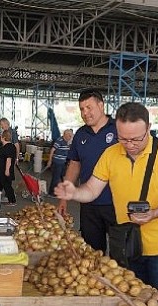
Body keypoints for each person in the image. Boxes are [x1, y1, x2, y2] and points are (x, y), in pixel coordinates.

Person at [55, 102, 158, 295]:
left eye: (136, 139)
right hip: (128, 245)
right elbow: (92, 190)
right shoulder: (111, 154)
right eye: (123, 139)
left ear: (148, 128)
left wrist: (154, 213)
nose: (130, 145)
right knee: (130, 304)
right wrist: (74, 193)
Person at [58, 89, 117, 253]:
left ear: (101, 105)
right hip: (89, 206)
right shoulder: (80, 134)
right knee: (91, 253)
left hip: (117, 204)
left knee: (122, 255)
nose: (85, 113)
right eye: (82, 109)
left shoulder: (119, 130)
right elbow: (74, 165)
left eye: (89, 107)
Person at [0, 129, 17, 206]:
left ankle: (12, 201)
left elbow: (8, 160)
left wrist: (7, 170)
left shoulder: (9, 147)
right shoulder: (5, 146)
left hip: (3, 171)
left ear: (3, 137)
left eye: (1, 136)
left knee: (7, 186)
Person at [47, 129, 73, 197]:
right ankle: (51, 193)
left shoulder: (67, 142)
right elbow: (52, 150)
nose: (70, 137)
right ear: (65, 135)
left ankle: (63, 190)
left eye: (71, 136)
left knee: (63, 176)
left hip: (63, 162)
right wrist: (50, 161)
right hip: (57, 162)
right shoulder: (59, 141)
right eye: (69, 136)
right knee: (56, 178)